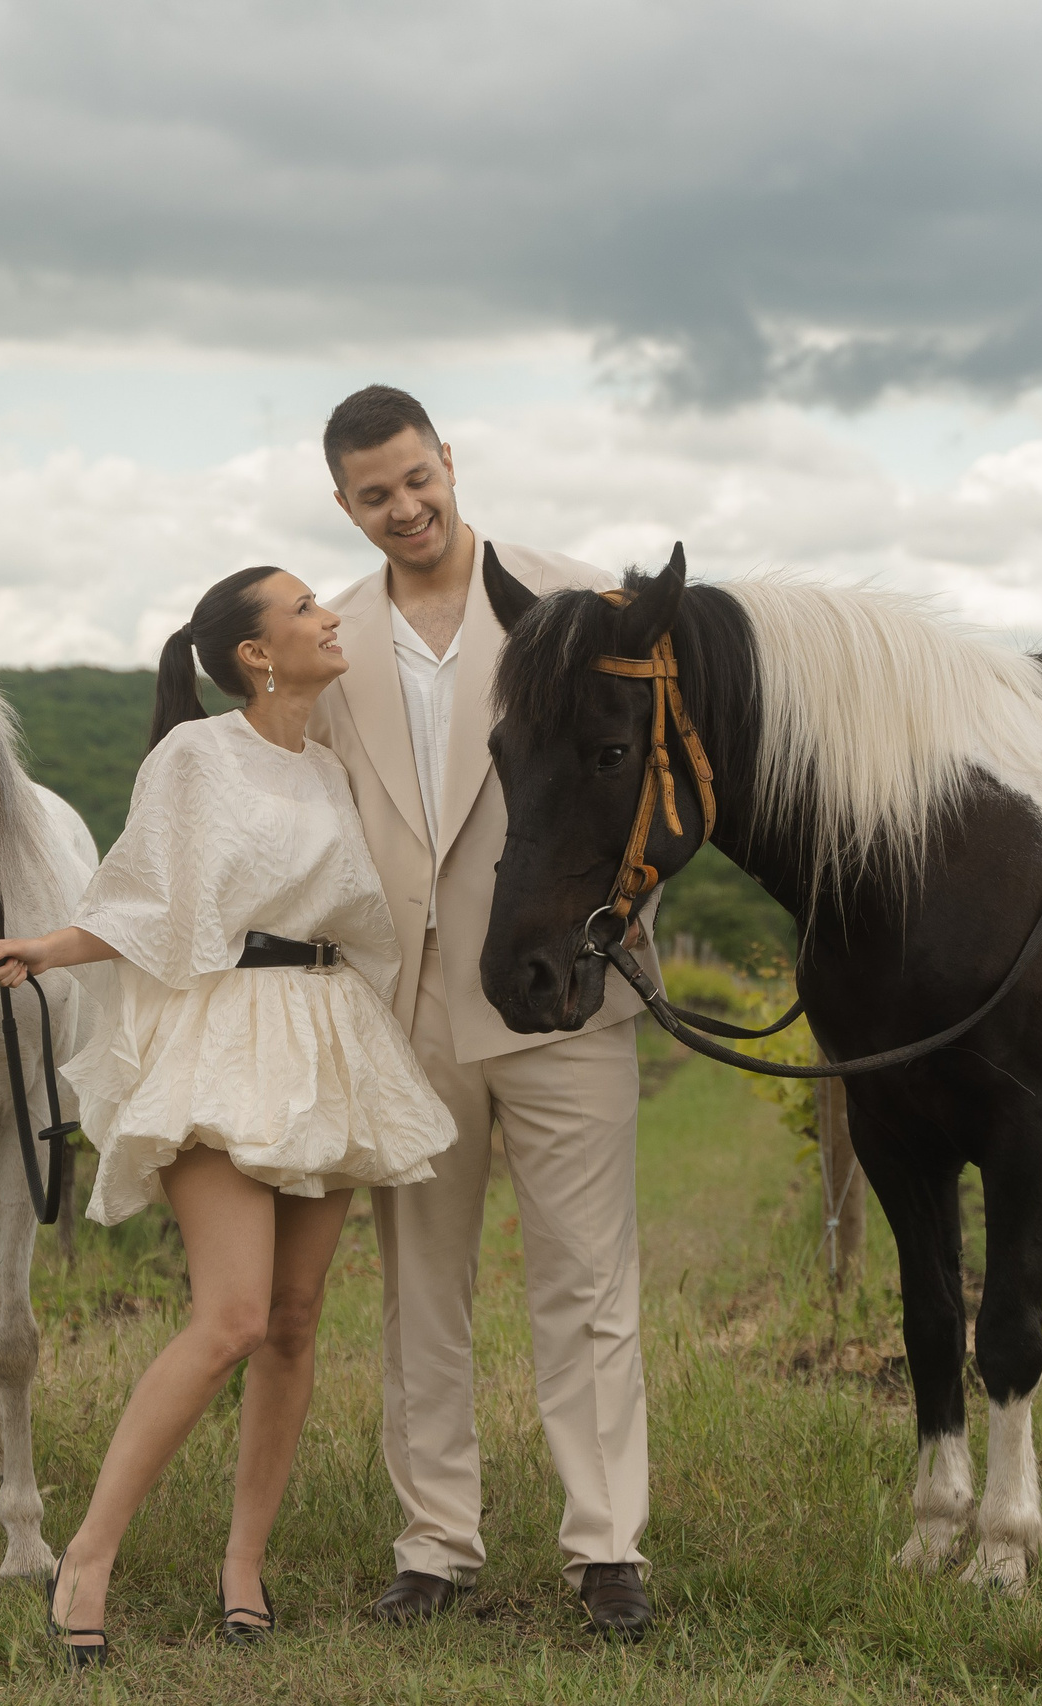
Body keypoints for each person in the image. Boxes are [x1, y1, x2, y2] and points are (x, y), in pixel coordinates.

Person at [0, 565, 457, 1668]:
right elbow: (143, 896)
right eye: (305, 609)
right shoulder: (195, 755)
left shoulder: (333, 768)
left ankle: (244, 1561)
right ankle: (88, 1556)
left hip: (326, 1038)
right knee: (230, 1315)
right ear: (255, 652)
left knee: (294, 1321)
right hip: (225, 1034)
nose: (330, 615)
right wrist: (46, 947)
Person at [304, 385, 664, 1641]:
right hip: (403, 1006)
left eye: (416, 478)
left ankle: (607, 1545)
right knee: (423, 1284)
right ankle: (435, 1543)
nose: (404, 507)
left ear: (449, 461)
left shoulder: (578, 604)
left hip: (565, 992)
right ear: (343, 506)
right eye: (373, 495)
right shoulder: (332, 637)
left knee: (587, 1277)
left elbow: (643, 786)